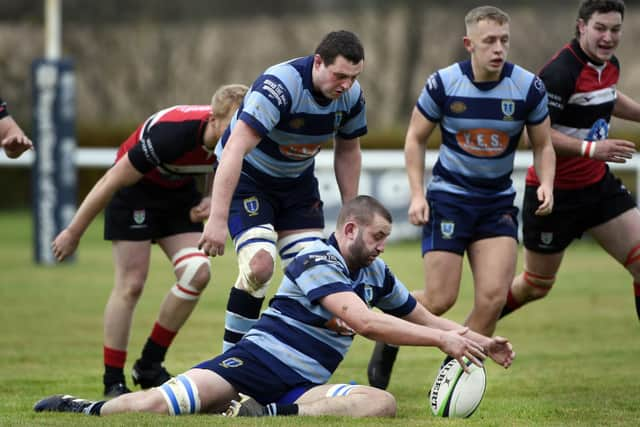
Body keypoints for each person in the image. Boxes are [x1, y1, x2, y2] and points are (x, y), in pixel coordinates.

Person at [34, 195, 515, 418]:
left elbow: (424, 316)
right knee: (156, 405)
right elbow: (365, 322)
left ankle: (264, 416)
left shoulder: (374, 272)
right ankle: (86, 408)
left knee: (381, 403)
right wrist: (442, 340)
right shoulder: (314, 258)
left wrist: (477, 340)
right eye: (378, 237)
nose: (382, 247)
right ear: (349, 230)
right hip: (251, 365)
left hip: (300, 388)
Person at [367, 5, 556, 390]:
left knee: (492, 299)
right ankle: (390, 331)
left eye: (504, 40)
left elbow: (545, 145)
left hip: (497, 203)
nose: (498, 48)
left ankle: (455, 380)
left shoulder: (527, 87)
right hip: (450, 199)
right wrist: (418, 195)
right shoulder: (444, 84)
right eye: (489, 41)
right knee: (439, 299)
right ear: (469, 44)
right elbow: (415, 139)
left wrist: (547, 183)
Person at [50, 84, 248, 397]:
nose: (241, 132)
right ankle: (112, 378)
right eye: (234, 125)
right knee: (131, 284)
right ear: (213, 120)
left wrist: (211, 198)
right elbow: (110, 180)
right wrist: (73, 232)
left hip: (178, 194)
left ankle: (149, 365)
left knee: (198, 273)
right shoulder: (172, 135)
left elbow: (220, 164)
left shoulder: (239, 138)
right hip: (135, 193)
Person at [197, 30, 366, 352]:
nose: (345, 85)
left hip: (298, 186)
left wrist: (351, 211)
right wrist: (217, 219)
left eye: (353, 77)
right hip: (250, 181)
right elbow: (233, 150)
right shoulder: (280, 85)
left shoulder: (352, 96)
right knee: (260, 266)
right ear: (318, 62)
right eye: (339, 75)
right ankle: (231, 361)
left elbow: (348, 150)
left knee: (315, 275)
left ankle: (281, 361)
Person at [500, 0, 640, 320]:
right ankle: (465, 334)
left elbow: (609, 96)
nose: (608, 37)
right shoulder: (560, 73)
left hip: (597, 187)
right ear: (581, 27)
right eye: (600, 28)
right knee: (535, 286)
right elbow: (530, 134)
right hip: (554, 194)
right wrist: (589, 149)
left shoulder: (609, 65)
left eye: (615, 29)